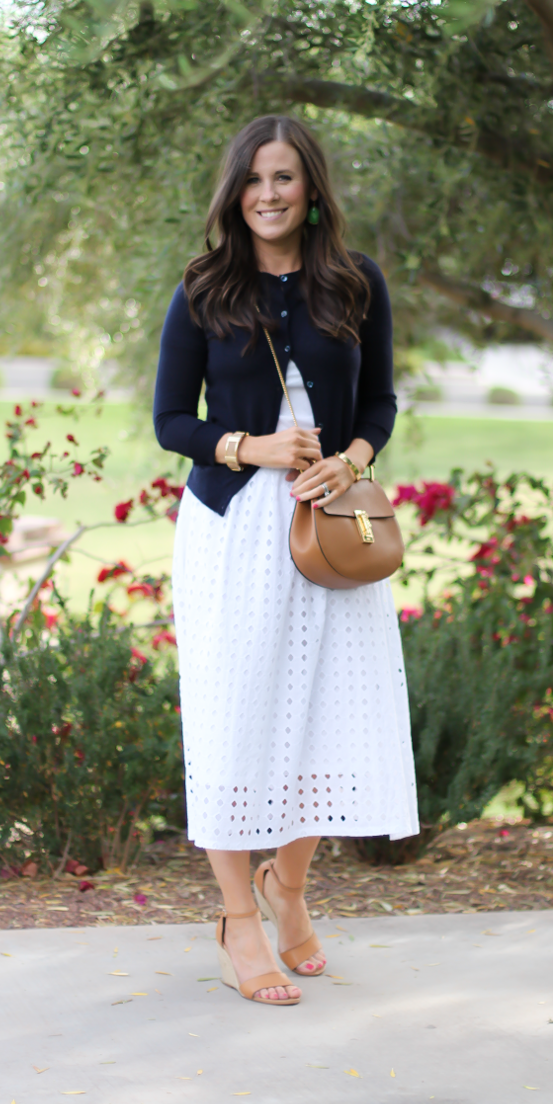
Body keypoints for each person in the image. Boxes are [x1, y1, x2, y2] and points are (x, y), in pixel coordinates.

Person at [153, 115, 418, 1006]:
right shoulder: (203, 289)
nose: (269, 194)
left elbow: (379, 401)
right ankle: (238, 918)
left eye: (286, 179)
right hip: (233, 531)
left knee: (325, 717)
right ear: (236, 193)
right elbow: (168, 424)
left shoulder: (355, 282)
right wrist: (249, 447)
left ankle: (289, 889)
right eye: (255, 180)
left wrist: (353, 458)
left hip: (331, 532)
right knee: (236, 720)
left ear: (311, 192)